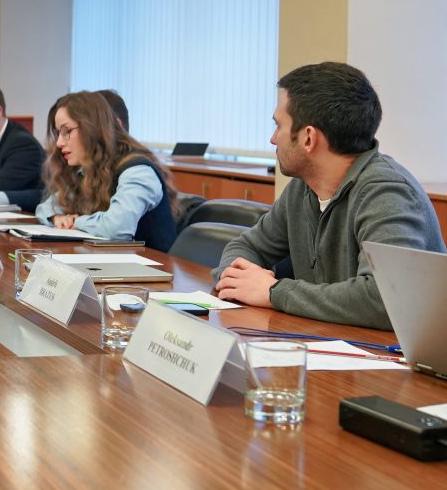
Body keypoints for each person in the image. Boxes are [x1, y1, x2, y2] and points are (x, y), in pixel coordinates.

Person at [212, 62, 445, 330]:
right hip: (326, 340)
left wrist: (274, 292)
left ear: (308, 138)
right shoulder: (303, 187)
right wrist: (236, 281)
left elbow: (385, 300)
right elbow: (246, 247)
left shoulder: (387, 193)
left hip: (383, 352)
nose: (273, 139)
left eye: (278, 126)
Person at [32, 91, 178, 251]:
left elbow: (117, 228)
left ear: (93, 129)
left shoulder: (138, 171)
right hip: (110, 259)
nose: (59, 143)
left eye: (67, 131)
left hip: (152, 264)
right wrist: (57, 217)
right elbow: (45, 208)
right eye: (58, 133)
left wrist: (76, 221)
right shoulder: (89, 169)